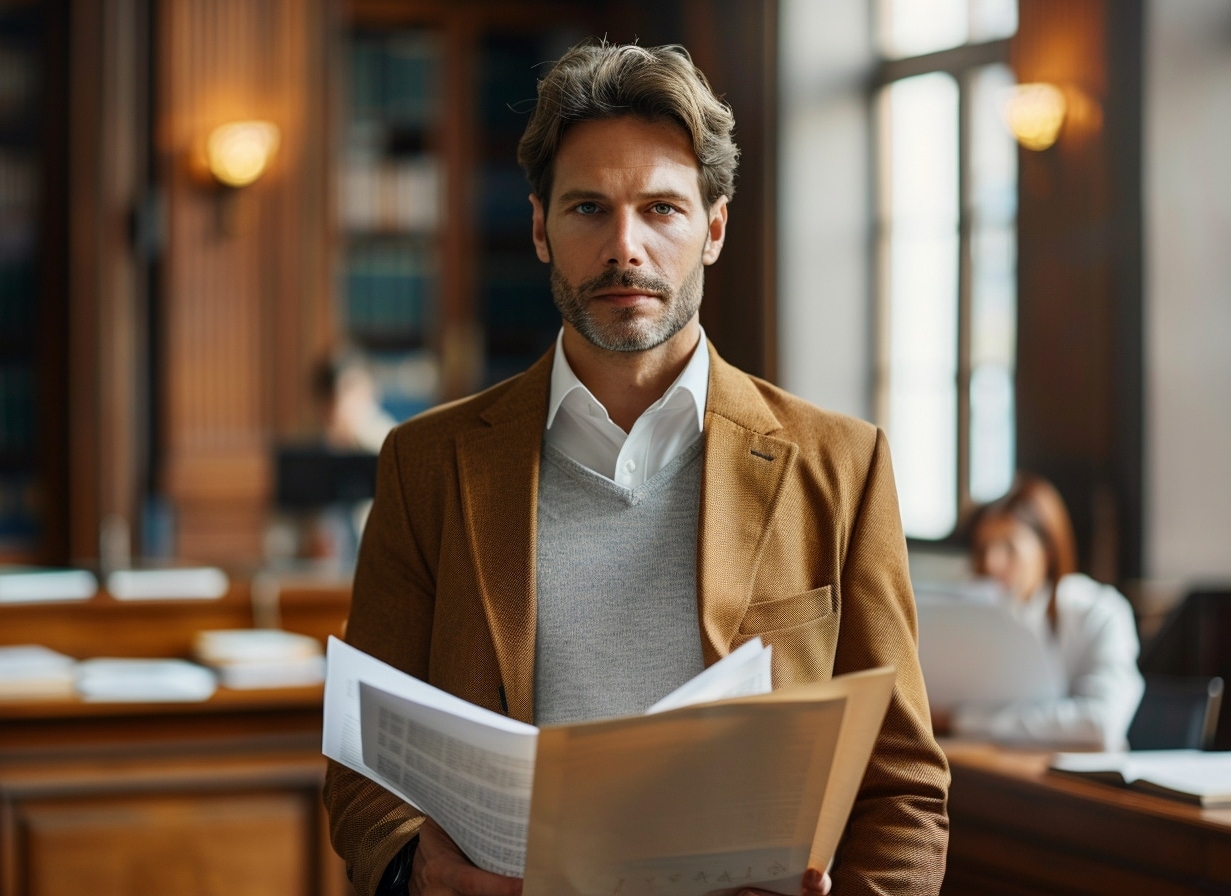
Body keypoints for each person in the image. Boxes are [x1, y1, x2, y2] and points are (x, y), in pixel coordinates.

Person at [324, 39, 949, 896]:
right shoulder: (426, 464)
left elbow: (905, 785)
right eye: (589, 209)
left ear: (715, 227)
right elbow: (362, 761)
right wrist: (415, 873)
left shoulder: (839, 464)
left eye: (661, 209)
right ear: (541, 227)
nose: (627, 247)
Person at [934, 473, 1144, 750]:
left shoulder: (1101, 612)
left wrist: (961, 720)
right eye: (984, 548)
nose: (992, 563)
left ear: (1048, 550)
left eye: (1009, 547)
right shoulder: (973, 616)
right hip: (991, 767)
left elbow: (1100, 722)